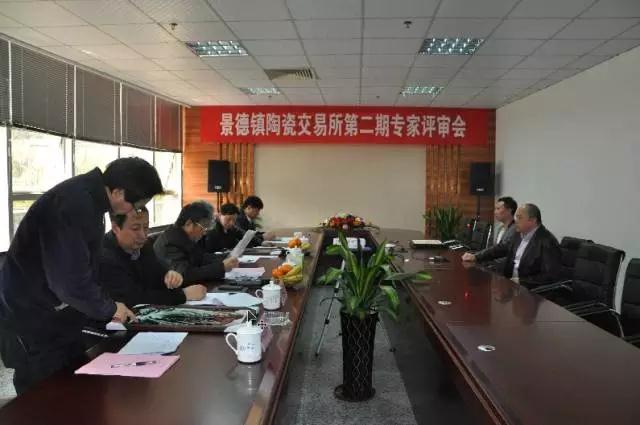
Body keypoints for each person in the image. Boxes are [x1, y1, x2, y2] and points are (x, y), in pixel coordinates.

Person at [0, 157, 164, 394]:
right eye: (137, 205)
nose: (135, 212)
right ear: (118, 192)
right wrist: (109, 308)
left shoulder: (88, 200)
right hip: (31, 316)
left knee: (77, 388)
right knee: (42, 396)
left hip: (56, 314)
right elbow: (69, 282)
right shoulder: (73, 204)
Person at [99, 207, 207, 309]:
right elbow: (133, 298)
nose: (143, 235)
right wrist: (183, 295)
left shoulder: (144, 246)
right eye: (135, 228)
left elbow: (158, 274)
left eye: (146, 227)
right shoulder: (104, 255)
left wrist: (170, 276)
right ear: (115, 228)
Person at [462, 203, 562, 287]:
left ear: (532, 220)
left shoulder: (548, 242)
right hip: (510, 286)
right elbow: (500, 248)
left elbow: (550, 276)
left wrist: (521, 281)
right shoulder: (518, 234)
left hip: (532, 293)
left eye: (519, 217)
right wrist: (476, 256)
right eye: (516, 217)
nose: (516, 220)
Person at [154, 201, 238, 284]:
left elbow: (201, 258)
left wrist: (226, 257)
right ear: (189, 223)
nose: (204, 232)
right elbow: (185, 275)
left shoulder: (185, 236)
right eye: (203, 227)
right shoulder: (170, 242)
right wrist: (221, 267)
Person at [462, 196, 518, 263]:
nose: (495, 212)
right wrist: (476, 255)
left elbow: (501, 249)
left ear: (509, 210)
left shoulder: (515, 229)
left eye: (498, 209)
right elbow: (493, 248)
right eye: (495, 209)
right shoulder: (500, 228)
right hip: (493, 262)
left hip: (503, 265)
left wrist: (477, 256)